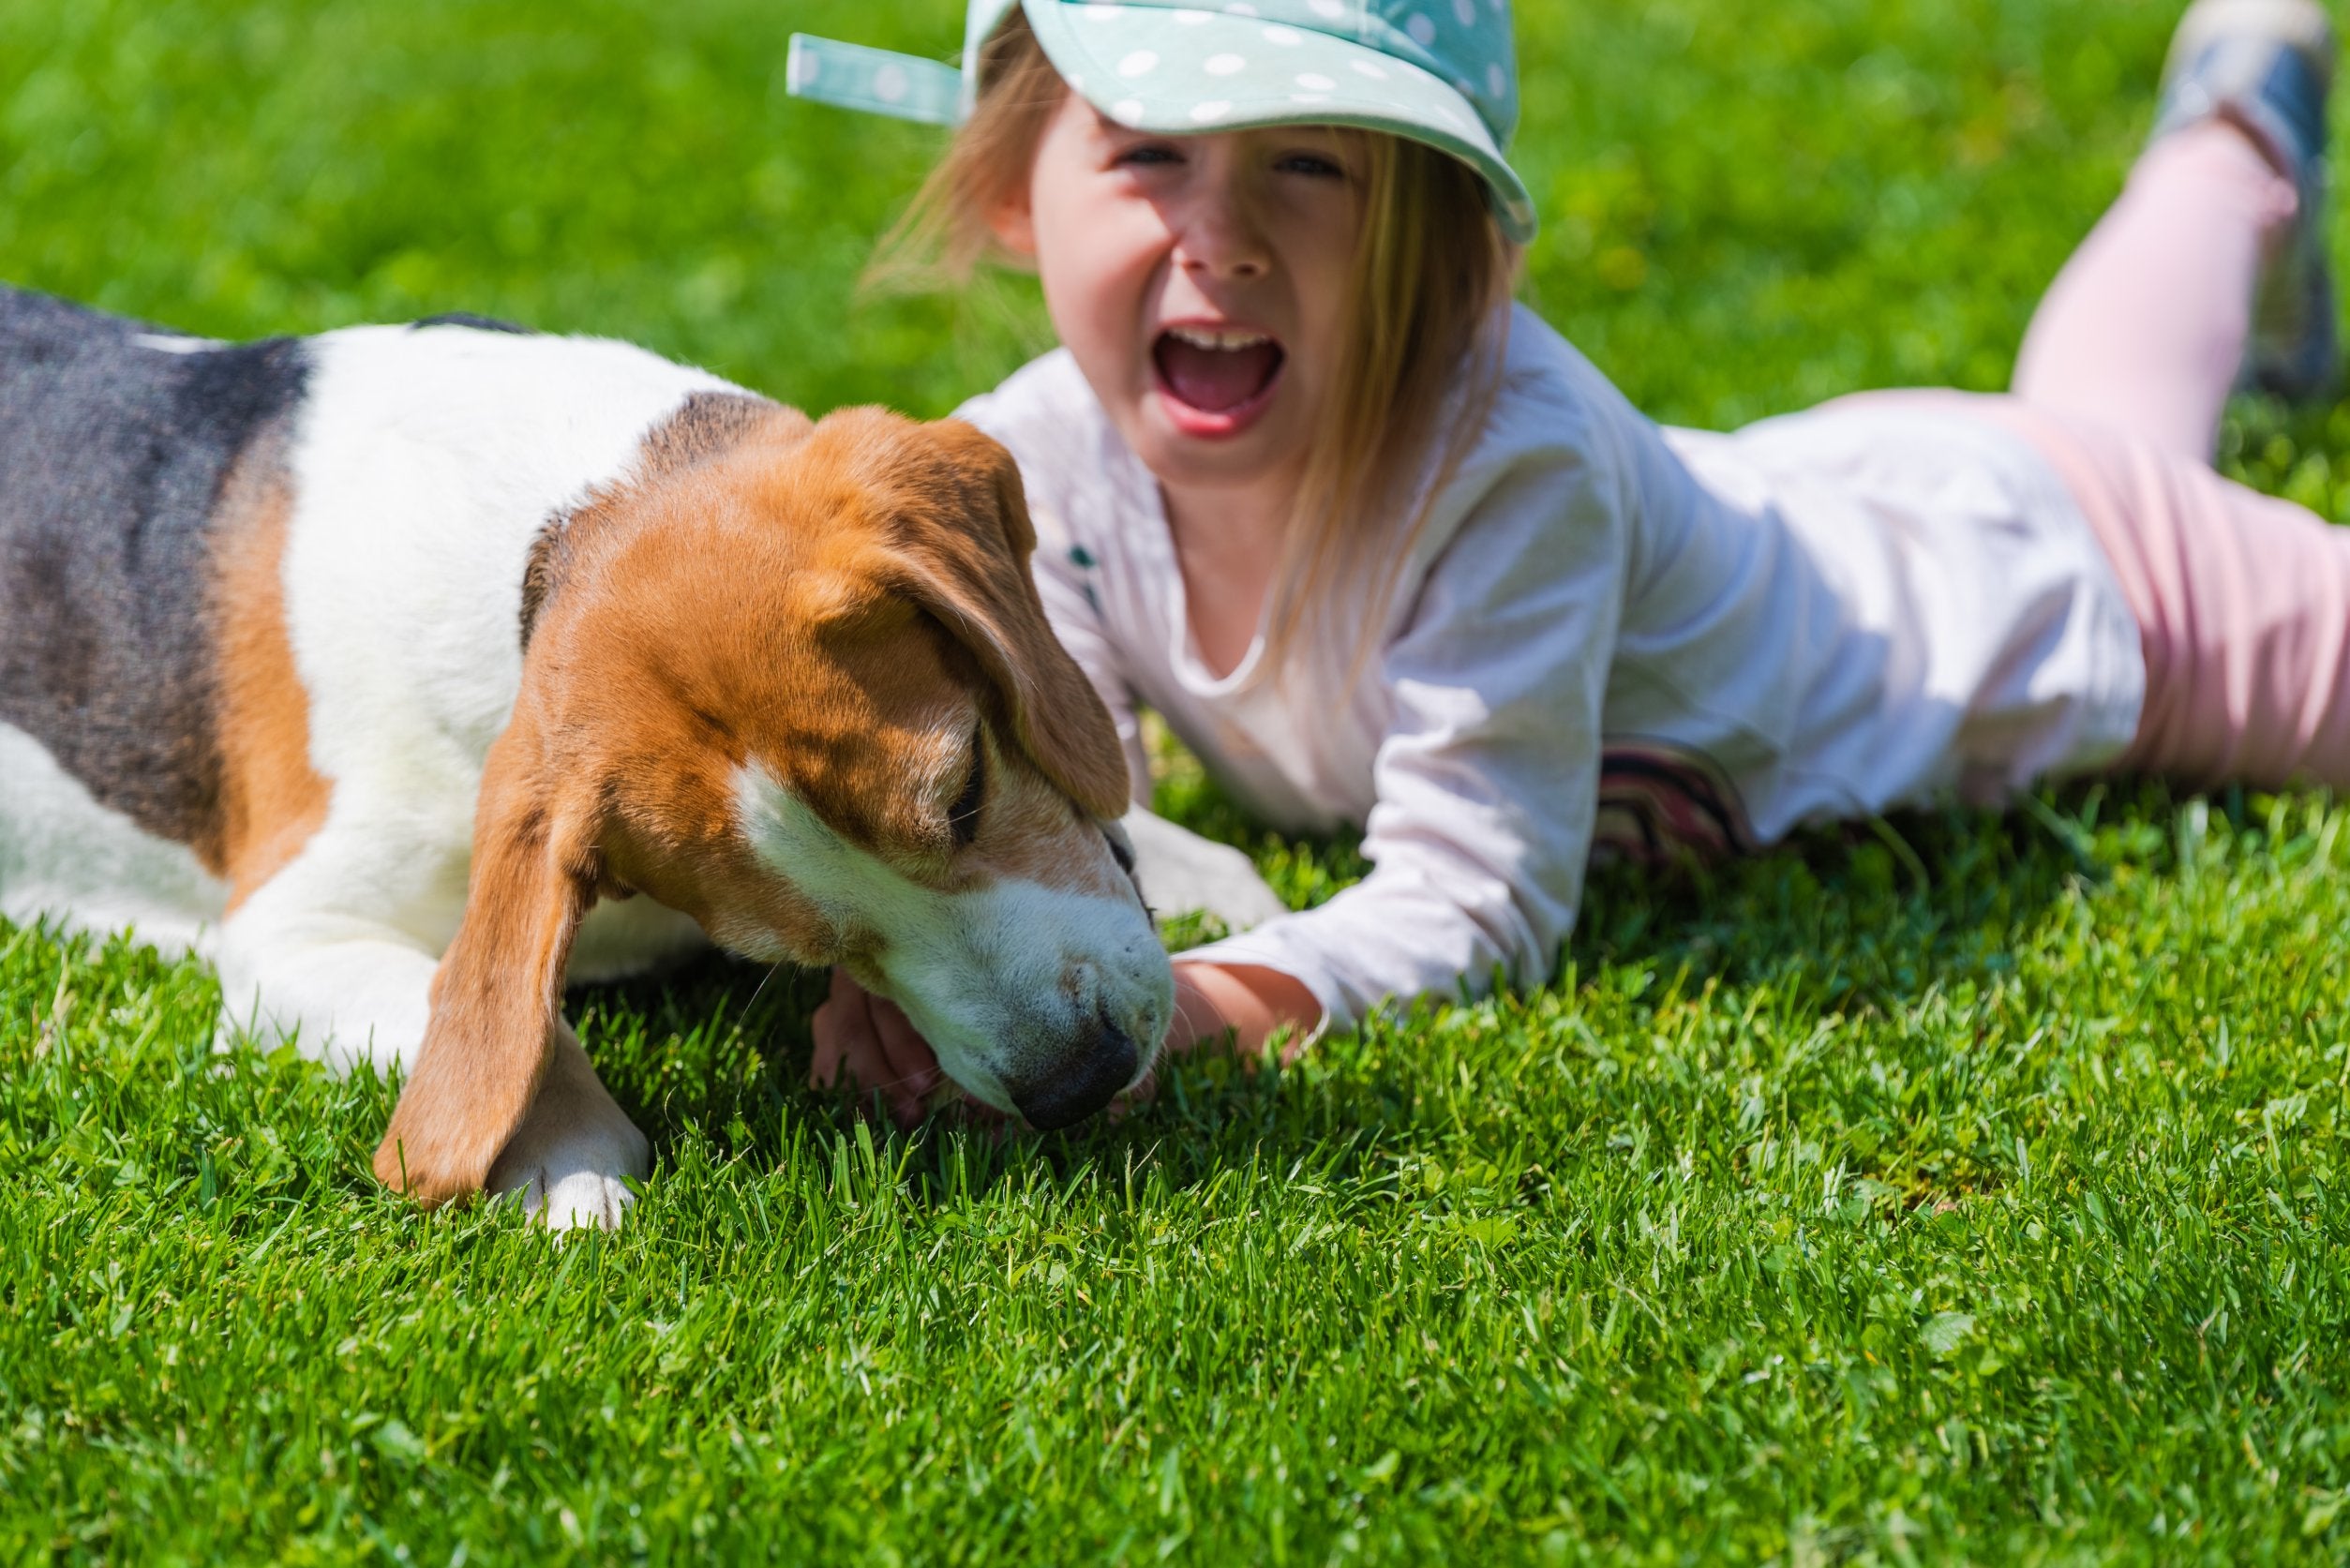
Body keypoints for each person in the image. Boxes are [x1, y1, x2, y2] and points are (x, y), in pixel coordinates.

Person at [786, 0, 2349, 1127]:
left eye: (1313, 165)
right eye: (1150, 153)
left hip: (2088, 596)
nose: (1225, 234)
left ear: (1450, 247)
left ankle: (2229, 137)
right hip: (1879, 490)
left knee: (2103, 456)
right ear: (1010, 184)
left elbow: (1479, 899)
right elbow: (1074, 799)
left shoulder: (1508, 459)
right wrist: (961, 957)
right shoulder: (1026, 469)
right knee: (2093, 411)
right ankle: (2234, 115)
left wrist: (1193, 1010)